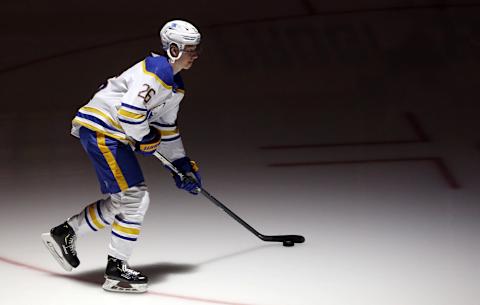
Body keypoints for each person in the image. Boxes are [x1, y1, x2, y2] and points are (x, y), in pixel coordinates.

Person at [41, 20, 202, 293]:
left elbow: (167, 128)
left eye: (196, 48)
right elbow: (129, 113)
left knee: (125, 201)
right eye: (189, 49)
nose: (195, 54)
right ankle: (116, 271)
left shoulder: (175, 86)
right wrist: (145, 138)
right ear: (173, 49)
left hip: (110, 133)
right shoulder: (157, 72)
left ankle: (66, 232)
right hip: (104, 131)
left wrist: (180, 164)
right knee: (135, 199)